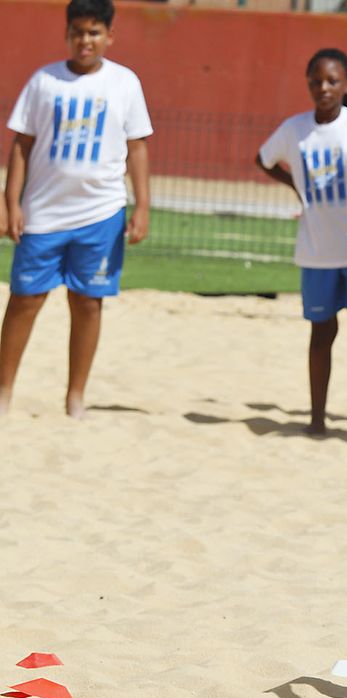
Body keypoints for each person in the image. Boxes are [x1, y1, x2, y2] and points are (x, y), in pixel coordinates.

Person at [0, 0, 151, 418]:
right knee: (25, 299)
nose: (86, 40)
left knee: (87, 302)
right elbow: (21, 145)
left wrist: (143, 207)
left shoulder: (125, 83)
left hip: (101, 213)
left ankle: (75, 398)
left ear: (109, 36)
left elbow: (137, 148)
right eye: (78, 32)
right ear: (66, 35)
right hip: (43, 213)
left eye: (94, 32)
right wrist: (9, 201)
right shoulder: (44, 82)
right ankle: (4, 391)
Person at [257, 48, 347, 436]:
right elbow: (263, 159)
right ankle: (316, 418)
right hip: (316, 253)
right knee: (321, 334)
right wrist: (296, 186)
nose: (324, 87)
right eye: (316, 81)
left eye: (333, 80)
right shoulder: (294, 129)